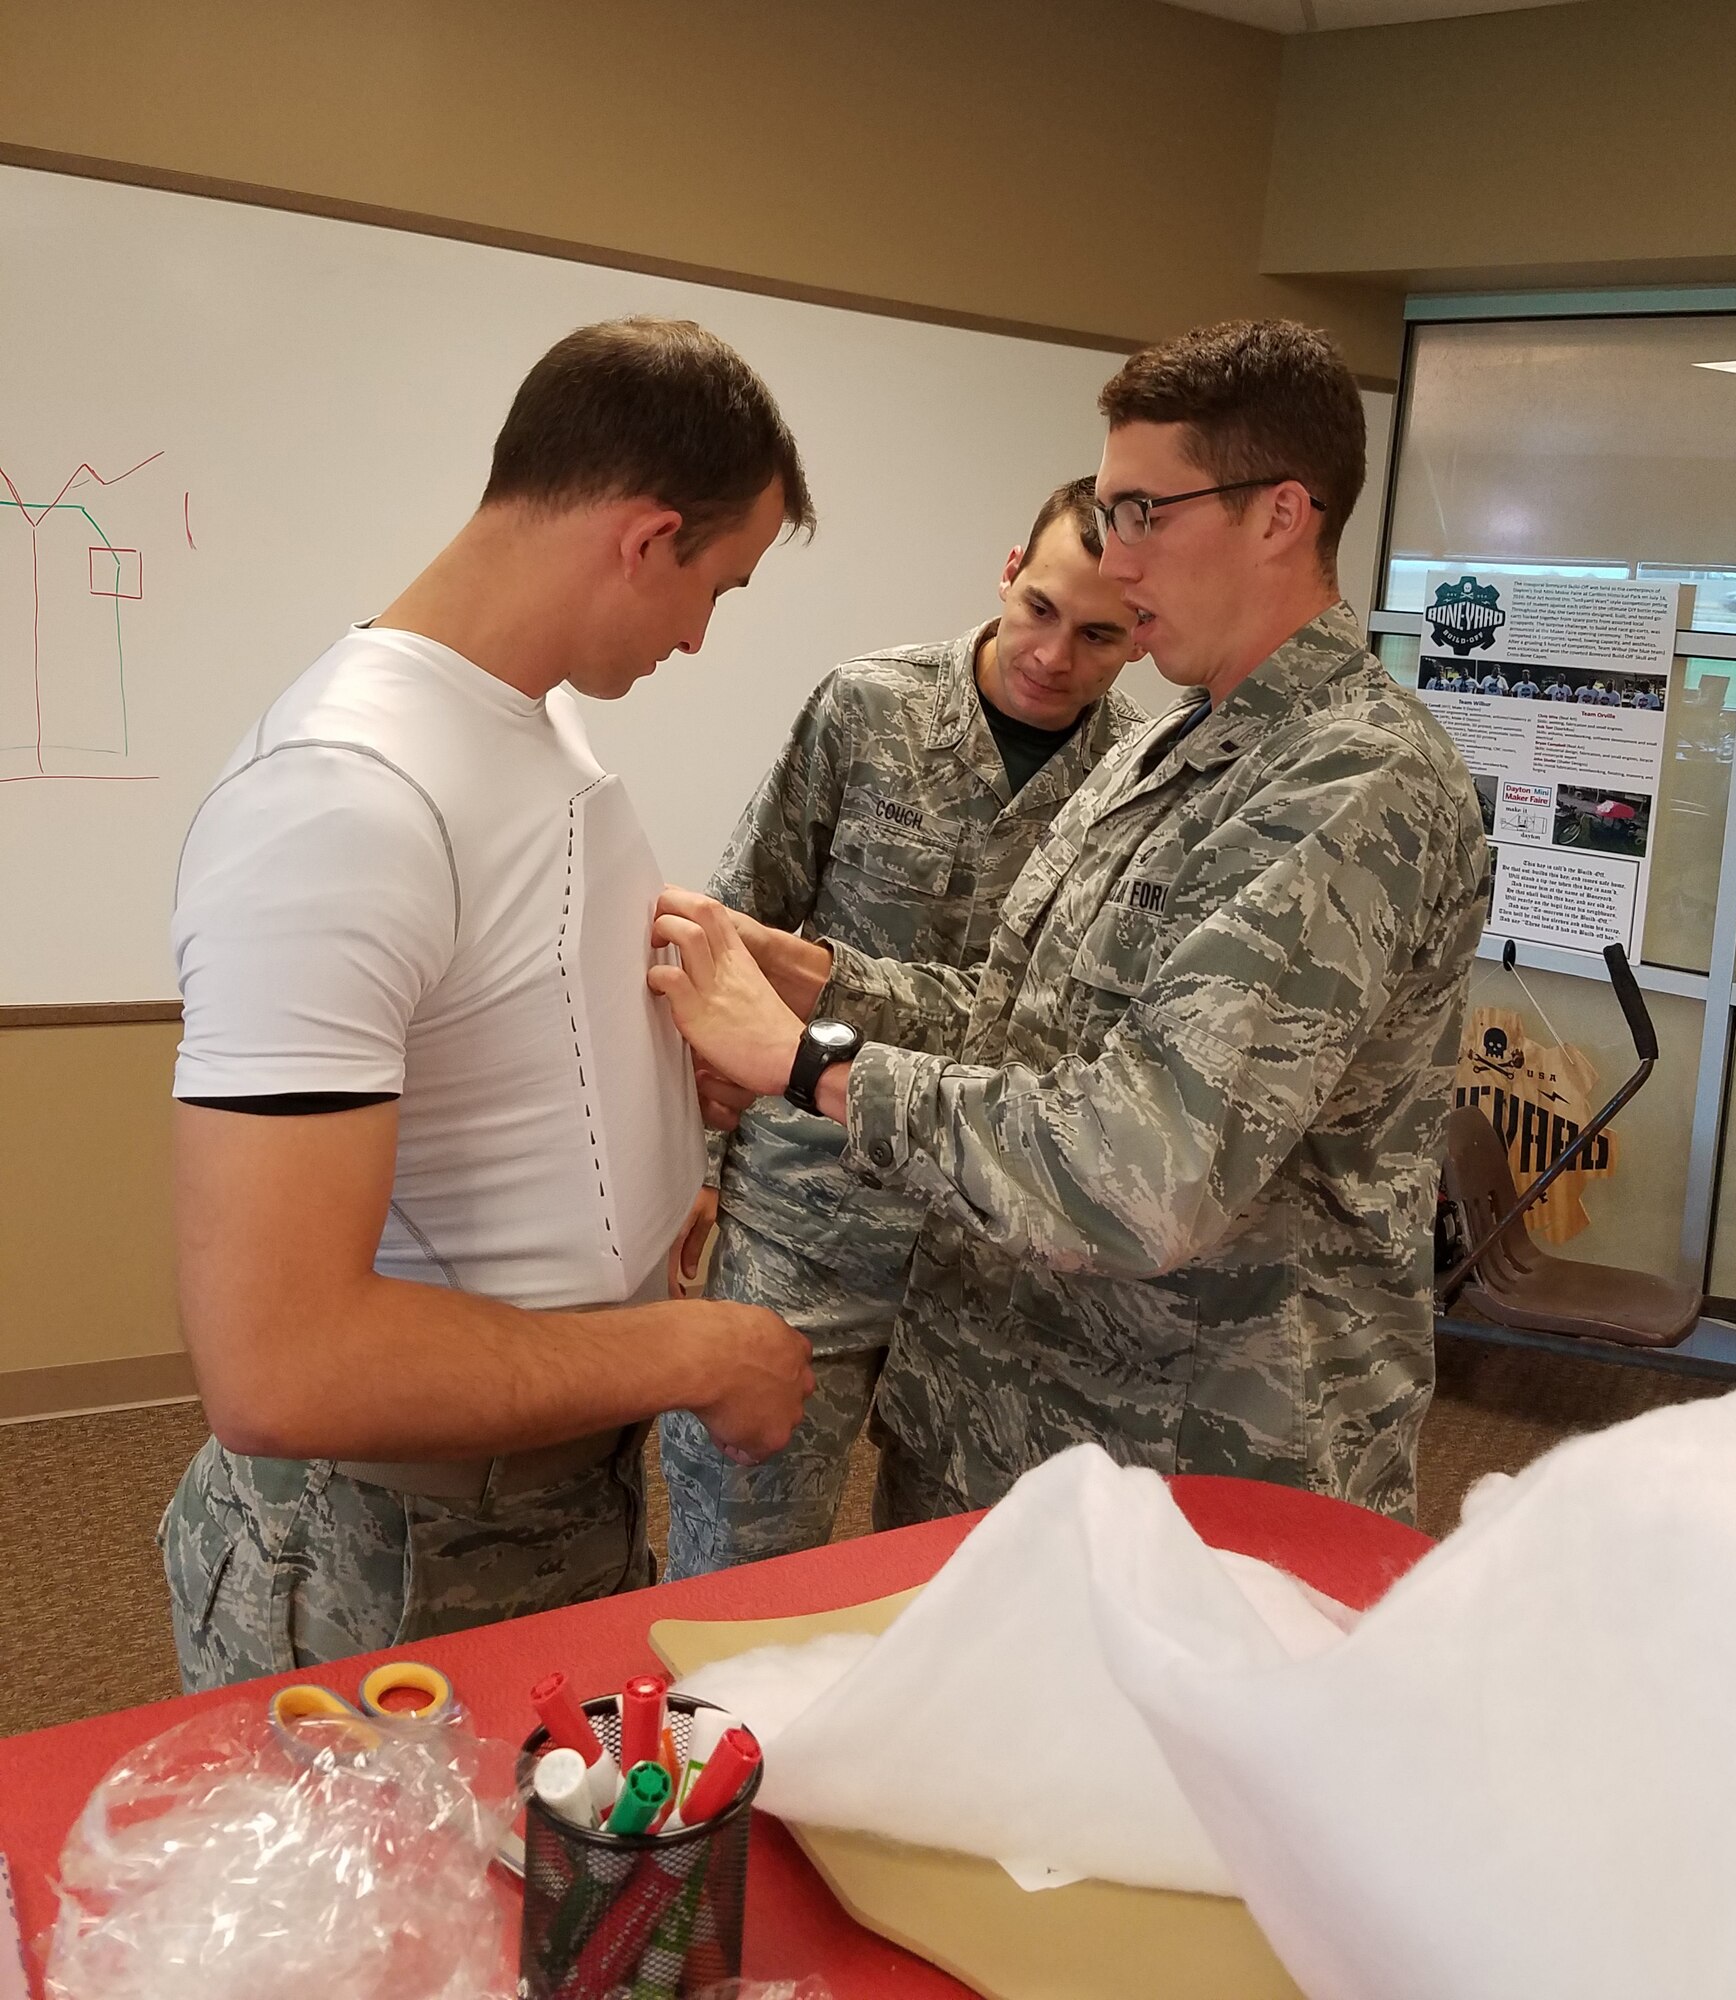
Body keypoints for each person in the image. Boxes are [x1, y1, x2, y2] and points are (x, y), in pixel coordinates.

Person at [649, 318, 1491, 1528]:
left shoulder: (1351, 783)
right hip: (1002, 1430)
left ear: (1280, 514)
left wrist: (805, 1061)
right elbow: (1022, 1025)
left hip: (1181, 1484)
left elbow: (1144, 1165)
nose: (1120, 553)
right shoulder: (1172, 742)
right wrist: (823, 982)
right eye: (1108, 511)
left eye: (1148, 511)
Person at [161, 317, 817, 1691]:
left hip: (543, 1501)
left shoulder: (522, 713)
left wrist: (666, 1048)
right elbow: (281, 1366)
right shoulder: (338, 797)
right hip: (386, 1551)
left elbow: (502, 984)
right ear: (645, 538)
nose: (702, 636)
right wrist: (696, 1346)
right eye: (719, 588)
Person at [658, 480, 1147, 1576]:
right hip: (805, 1220)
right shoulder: (867, 709)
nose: (1055, 655)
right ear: (1010, 567)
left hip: (997, 1247)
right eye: (1041, 609)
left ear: (1142, 636)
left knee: (957, 1586)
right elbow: (732, 933)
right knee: (739, 1568)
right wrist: (692, 1161)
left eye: (1101, 634)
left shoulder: (1135, 781)